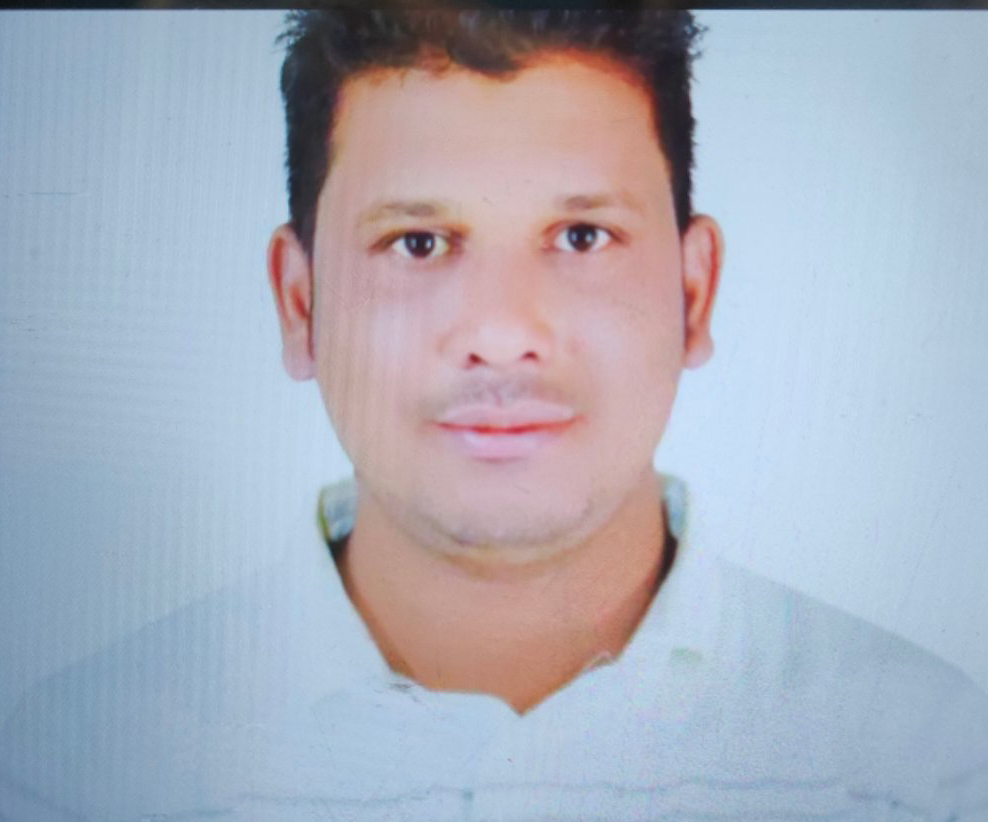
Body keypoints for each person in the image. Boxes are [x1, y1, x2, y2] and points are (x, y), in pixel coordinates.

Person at [2, 8, 987, 822]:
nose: (503, 335)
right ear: (300, 305)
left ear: (695, 294)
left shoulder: (923, 770)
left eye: (582, 235)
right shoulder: (79, 776)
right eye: (419, 242)